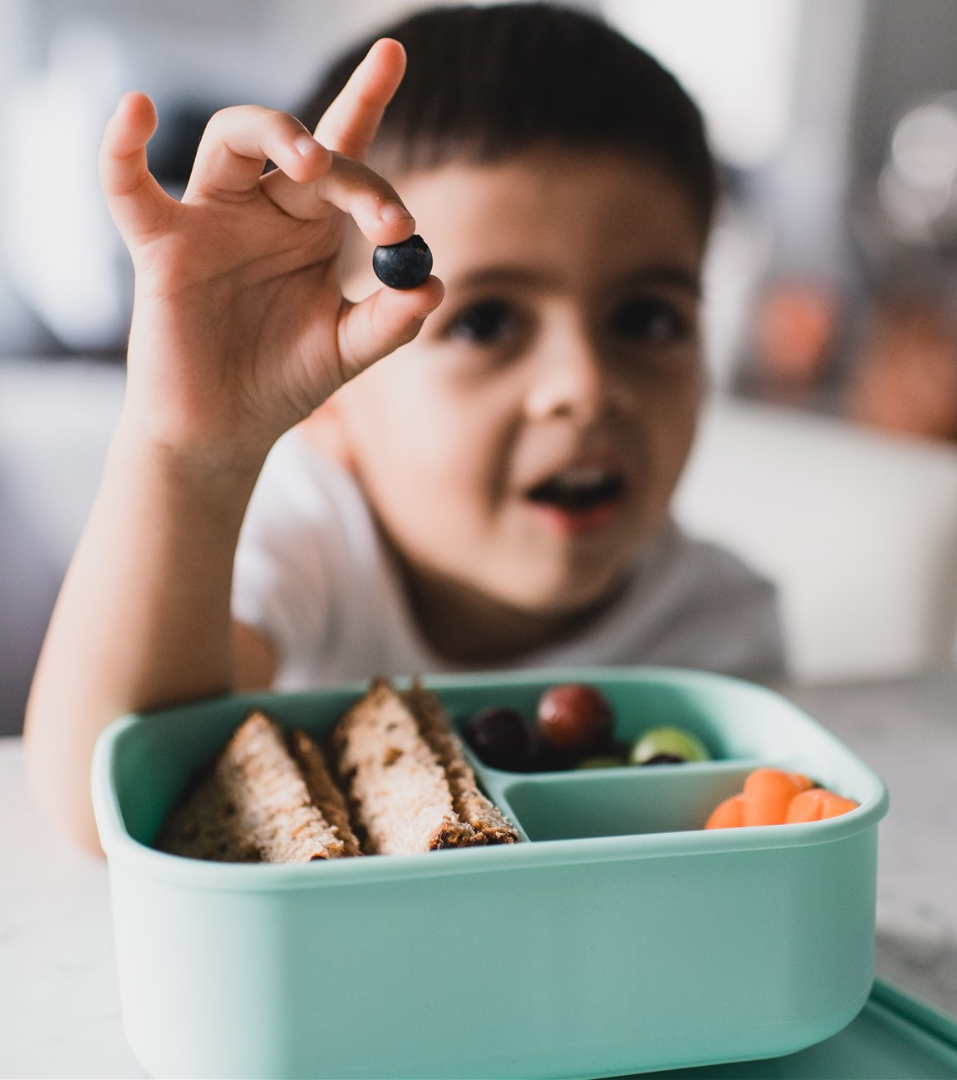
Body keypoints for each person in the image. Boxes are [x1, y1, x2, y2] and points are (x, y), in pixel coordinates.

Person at [24, 2, 785, 854]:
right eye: (486, 323)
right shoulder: (311, 544)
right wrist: (191, 451)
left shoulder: (720, 628)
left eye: (645, 319)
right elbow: (106, 803)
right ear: (327, 404)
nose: (585, 386)